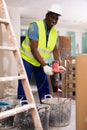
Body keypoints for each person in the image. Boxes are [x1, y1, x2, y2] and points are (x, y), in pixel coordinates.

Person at [17, 4, 63, 103]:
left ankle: (46, 103)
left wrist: (57, 65)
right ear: (47, 15)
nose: (54, 21)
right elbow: (33, 48)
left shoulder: (54, 32)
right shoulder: (35, 26)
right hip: (27, 59)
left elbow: (54, 50)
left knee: (44, 82)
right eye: (52, 17)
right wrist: (45, 66)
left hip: (40, 61)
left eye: (56, 19)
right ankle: (22, 104)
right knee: (24, 82)